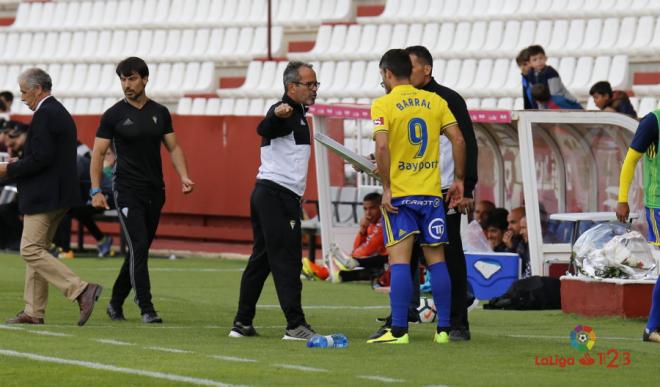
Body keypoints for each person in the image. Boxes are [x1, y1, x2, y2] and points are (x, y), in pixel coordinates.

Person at [367, 49, 465, 345]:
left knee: (399, 261)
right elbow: (459, 139)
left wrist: (386, 187)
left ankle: (398, 331)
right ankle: (444, 330)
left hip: (401, 197)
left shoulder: (383, 103)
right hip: (432, 195)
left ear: (386, 73)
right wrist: (459, 180)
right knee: (437, 262)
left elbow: (382, 148)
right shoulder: (436, 101)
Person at [90, 57, 194, 324]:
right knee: (138, 246)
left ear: (145, 79)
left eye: (132, 78)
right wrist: (95, 190)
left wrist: (184, 176)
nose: (127, 84)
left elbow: (174, 147)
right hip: (126, 191)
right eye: (123, 79)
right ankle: (146, 305)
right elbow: (98, 153)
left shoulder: (160, 112)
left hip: (154, 191)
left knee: (140, 249)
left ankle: (114, 303)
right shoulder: (113, 115)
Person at [0, 68, 102, 326]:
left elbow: (41, 159)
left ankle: (80, 289)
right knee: (39, 250)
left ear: (38, 89)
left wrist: (9, 168)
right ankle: (34, 311)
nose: (22, 97)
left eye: (24, 91)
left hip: (45, 195)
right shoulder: (57, 112)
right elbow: (46, 156)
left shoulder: (45, 115)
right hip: (58, 194)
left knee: (30, 250)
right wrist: (18, 162)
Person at [229, 61, 319, 341]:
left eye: (316, 84)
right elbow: (265, 127)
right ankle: (295, 325)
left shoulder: (299, 113)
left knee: (262, 260)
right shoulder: (286, 110)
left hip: (269, 193)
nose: (315, 89)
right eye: (310, 84)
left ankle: (242, 322)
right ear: (291, 87)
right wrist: (277, 115)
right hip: (277, 195)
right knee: (288, 261)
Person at [616, 108, 660, 344]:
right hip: (659, 205)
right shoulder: (653, 122)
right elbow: (631, 160)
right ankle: (652, 328)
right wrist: (623, 198)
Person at [331, 192, 388, 282]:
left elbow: (368, 249)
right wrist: (362, 230)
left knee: (378, 262)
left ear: (380, 207)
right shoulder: (371, 224)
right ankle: (340, 273)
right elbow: (357, 248)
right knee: (374, 270)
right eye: (365, 209)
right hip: (380, 263)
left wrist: (354, 258)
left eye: (372, 208)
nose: (368, 213)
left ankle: (345, 267)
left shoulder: (383, 223)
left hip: (388, 260)